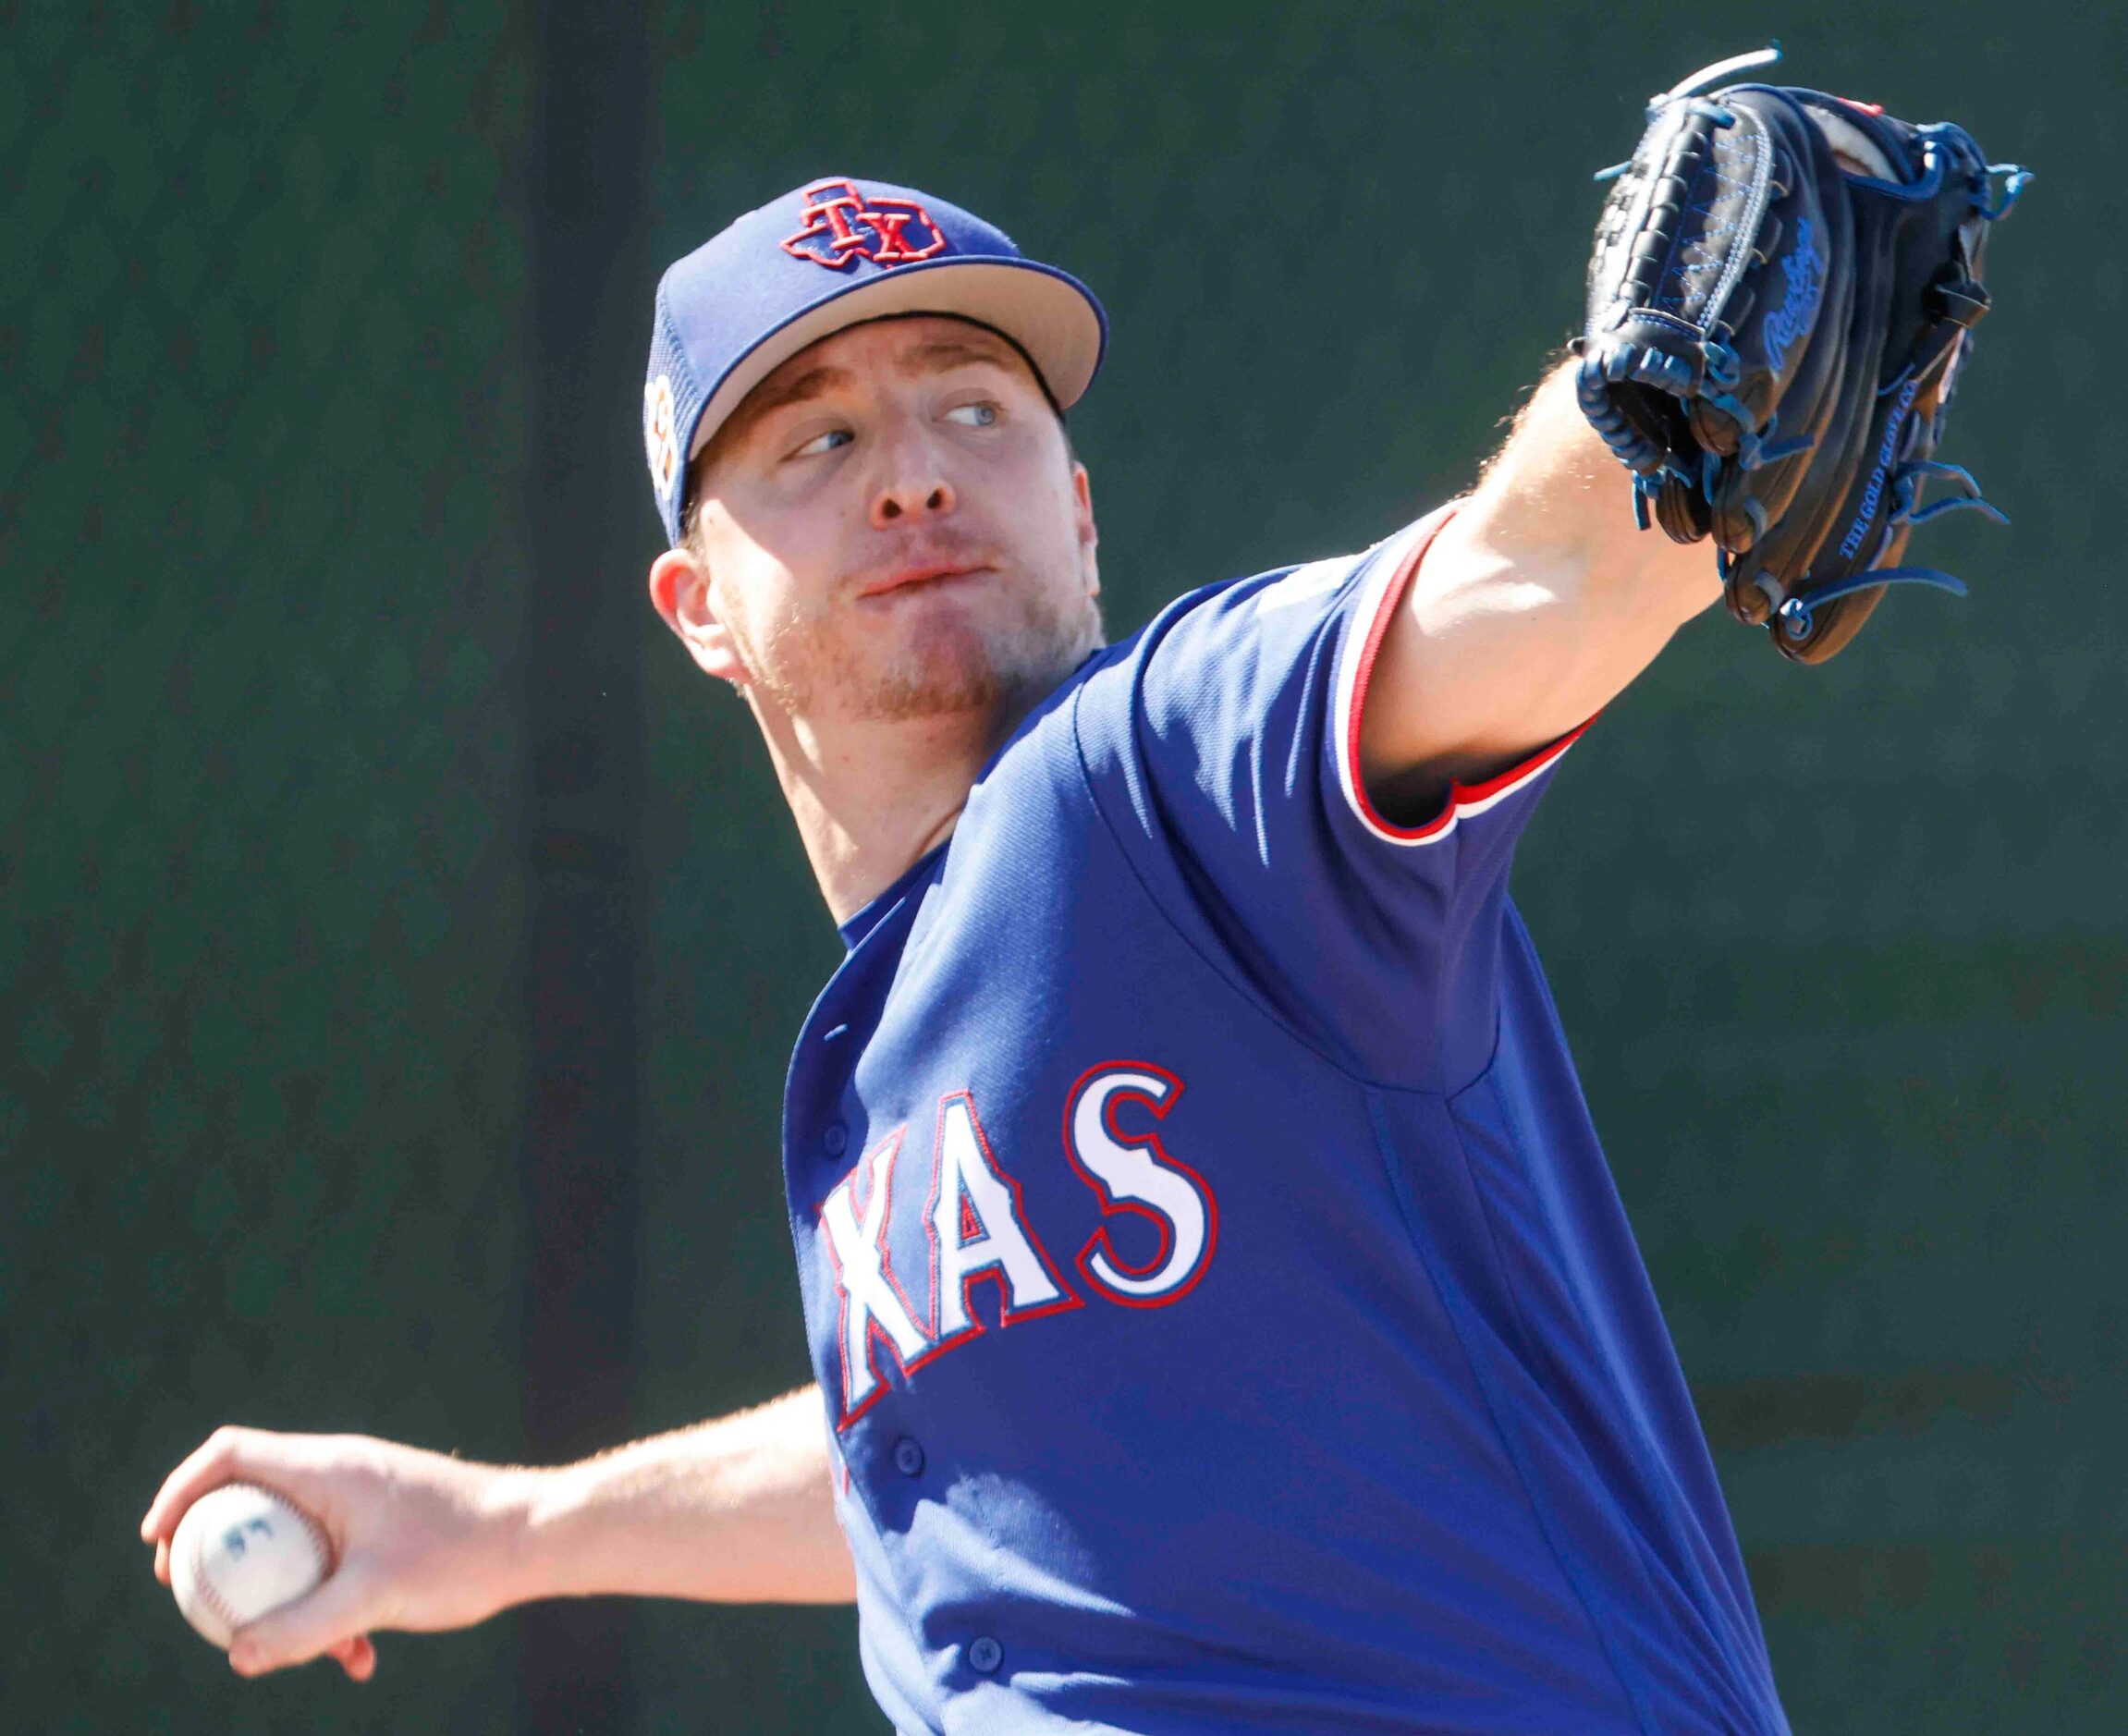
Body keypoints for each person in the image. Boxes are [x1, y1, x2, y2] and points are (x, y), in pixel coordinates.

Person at [143, 176, 1791, 1733]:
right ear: (696, 608)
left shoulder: (1166, 775)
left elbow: (1545, 570)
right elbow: (968, 1461)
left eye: (973, 409)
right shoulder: (875, 1074)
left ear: (1077, 515)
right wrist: (514, 1529)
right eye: (818, 438)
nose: (914, 471)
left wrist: (1675, 411)